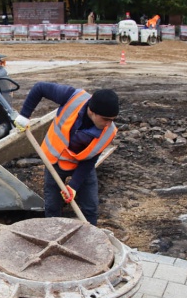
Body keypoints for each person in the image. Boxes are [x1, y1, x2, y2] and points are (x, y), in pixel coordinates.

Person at [13, 83, 119, 225]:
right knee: (52, 207)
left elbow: (90, 160)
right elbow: (40, 88)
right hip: (55, 160)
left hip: (81, 164)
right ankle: (53, 235)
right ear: (92, 111)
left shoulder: (109, 132)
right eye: (106, 119)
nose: (108, 124)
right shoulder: (72, 97)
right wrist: (24, 116)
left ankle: (91, 239)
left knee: (90, 207)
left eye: (112, 119)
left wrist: (73, 186)